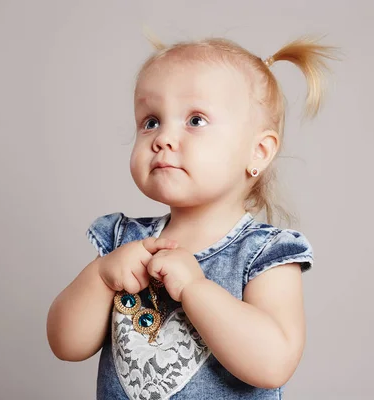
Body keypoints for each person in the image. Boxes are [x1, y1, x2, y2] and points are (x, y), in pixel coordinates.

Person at [47, 32, 338, 399]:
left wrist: (195, 290)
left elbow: (273, 364)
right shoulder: (122, 242)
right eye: (151, 121)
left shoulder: (265, 255)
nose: (162, 138)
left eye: (196, 120)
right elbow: (65, 344)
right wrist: (101, 278)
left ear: (259, 152)